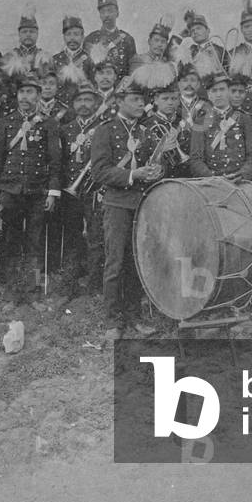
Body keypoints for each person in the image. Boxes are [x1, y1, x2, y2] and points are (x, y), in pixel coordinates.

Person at [90, 82, 161, 341]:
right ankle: (112, 320)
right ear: (119, 101)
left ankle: (134, 316)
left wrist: (156, 172)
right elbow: (99, 172)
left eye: (142, 99)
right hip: (117, 204)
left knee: (137, 262)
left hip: (142, 204)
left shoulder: (146, 132)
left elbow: (155, 165)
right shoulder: (104, 131)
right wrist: (133, 174)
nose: (141, 104)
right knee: (115, 262)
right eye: (134, 99)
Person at [0, 72, 62, 303]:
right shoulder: (6, 123)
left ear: (38, 96)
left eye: (30, 92)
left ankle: (34, 292)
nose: (25, 97)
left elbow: (55, 160)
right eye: (22, 92)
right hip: (10, 191)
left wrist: (52, 191)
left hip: (38, 192)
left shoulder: (49, 123)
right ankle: (12, 292)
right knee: (11, 241)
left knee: (35, 243)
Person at [58, 83, 106, 295]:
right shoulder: (66, 129)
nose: (84, 104)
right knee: (72, 235)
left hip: (95, 191)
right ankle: (72, 279)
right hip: (71, 191)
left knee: (96, 236)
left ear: (96, 103)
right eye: (79, 100)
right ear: (73, 104)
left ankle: (94, 282)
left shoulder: (104, 127)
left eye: (88, 100)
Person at [188, 71, 252, 181]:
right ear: (208, 94)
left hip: (241, 180)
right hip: (212, 182)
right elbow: (195, 159)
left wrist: (242, 175)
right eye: (214, 91)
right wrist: (212, 178)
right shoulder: (201, 121)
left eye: (222, 89)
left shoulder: (245, 119)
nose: (218, 94)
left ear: (229, 92)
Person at [83, 0, 137, 77]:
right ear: (100, 15)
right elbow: (86, 72)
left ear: (117, 13)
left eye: (110, 11)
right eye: (103, 12)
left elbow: (132, 71)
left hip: (121, 88)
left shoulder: (127, 40)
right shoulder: (90, 39)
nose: (106, 15)